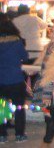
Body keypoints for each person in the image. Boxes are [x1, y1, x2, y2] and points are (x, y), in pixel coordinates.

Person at [0, 13, 28, 142]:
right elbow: (25, 56)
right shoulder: (17, 42)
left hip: (1, 81)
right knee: (19, 108)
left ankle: (2, 135)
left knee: (1, 108)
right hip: (16, 79)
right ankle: (19, 134)